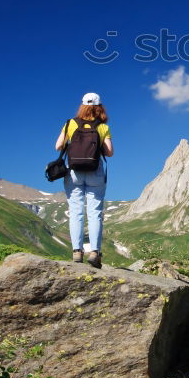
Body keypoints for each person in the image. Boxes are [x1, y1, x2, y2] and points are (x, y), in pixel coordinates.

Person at [55, 92, 113, 267]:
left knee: (76, 212)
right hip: (95, 171)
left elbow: (58, 146)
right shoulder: (102, 127)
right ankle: (95, 252)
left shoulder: (70, 124)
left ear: (82, 106)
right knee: (95, 213)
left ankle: (77, 252)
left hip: (74, 172)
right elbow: (109, 152)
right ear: (99, 107)